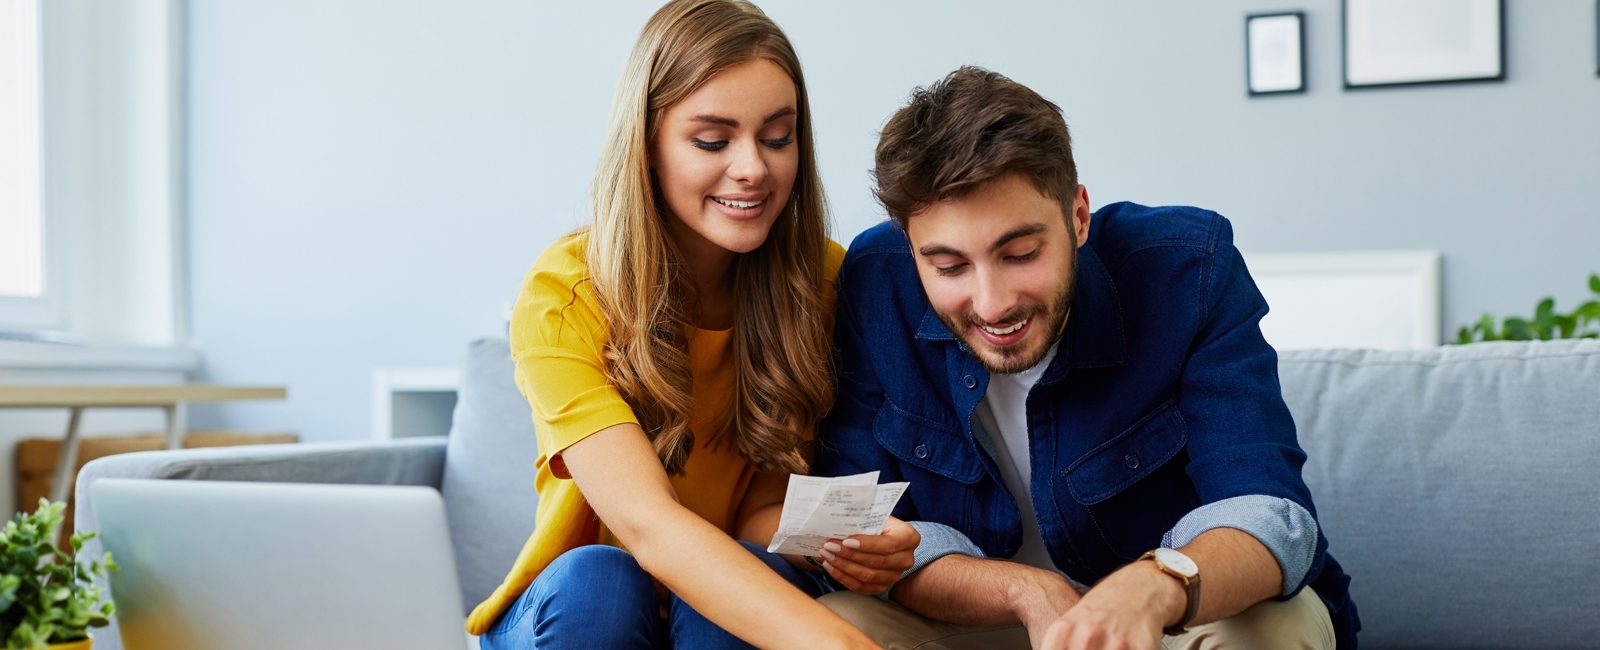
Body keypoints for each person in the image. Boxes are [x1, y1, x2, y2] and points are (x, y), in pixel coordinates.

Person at [813, 66, 1359, 649]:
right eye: (948, 267)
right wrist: (1029, 593)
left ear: (1078, 217)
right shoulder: (875, 280)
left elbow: (1267, 510)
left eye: (1020, 253)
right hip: (985, 623)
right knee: (837, 622)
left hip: (1167, 616)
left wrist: (1154, 587)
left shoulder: (1188, 271)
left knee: (1272, 628)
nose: (992, 304)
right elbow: (866, 535)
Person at [466, 2, 917, 648]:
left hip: (713, 606)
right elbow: (649, 526)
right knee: (603, 581)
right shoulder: (565, 294)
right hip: (576, 616)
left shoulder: (821, 284)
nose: (753, 168)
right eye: (712, 140)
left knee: (737, 587)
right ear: (647, 145)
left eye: (777, 136)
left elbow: (758, 517)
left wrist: (842, 540)